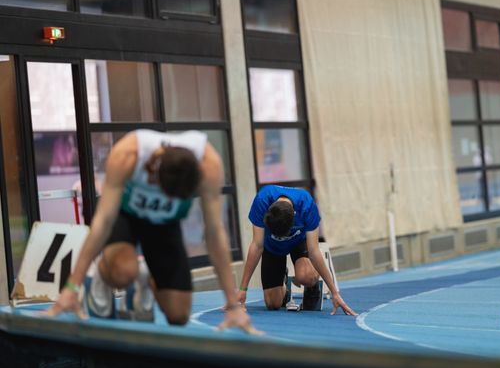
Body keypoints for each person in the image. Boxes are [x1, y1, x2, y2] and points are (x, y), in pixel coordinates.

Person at [46, 129, 259, 334]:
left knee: (179, 316)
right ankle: (101, 275)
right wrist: (72, 287)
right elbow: (103, 221)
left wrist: (233, 305)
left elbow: (214, 233)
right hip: (127, 216)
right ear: (156, 177)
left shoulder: (209, 164)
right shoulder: (127, 154)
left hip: (165, 223)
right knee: (122, 273)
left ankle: (147, 277)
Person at [237, 185, 356, 316]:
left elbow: (314, 251)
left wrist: (335, 293)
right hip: (272, 246)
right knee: (272, 304)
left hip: (298, 242)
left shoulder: (307, 204)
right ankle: (284, 287)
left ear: (294, 216)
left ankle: (313, 285)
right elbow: (257, 246)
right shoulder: (261, 201)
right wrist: (243, 289)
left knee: (306, 276)